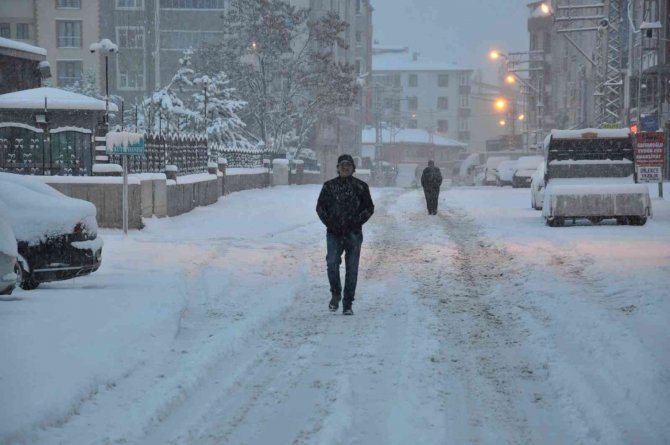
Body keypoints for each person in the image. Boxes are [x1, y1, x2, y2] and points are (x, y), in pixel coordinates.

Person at [316, 154, 374, 315]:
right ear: (337, 168)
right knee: (332, 263)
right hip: (334, 233)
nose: (345, 167)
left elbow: (369, 208)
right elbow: (320, 208)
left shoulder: (361, 187)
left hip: (353, 233)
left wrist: (356, 222)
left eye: (348, 165)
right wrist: (330, 223)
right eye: (342, 165)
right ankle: (336, 293)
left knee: (352, 268)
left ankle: (348, 303)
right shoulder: (329, 186)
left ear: (353, 168)